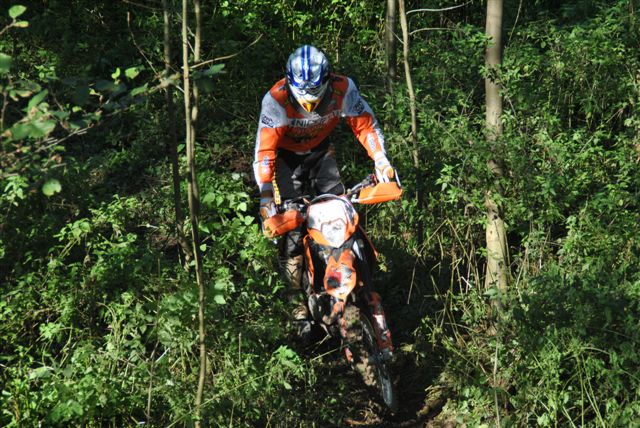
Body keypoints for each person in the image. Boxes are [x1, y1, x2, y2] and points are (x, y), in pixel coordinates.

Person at [253, 45, 396, 338]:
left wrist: (380, 160)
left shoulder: (343, 89)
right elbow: (265, 150)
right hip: (286, 161)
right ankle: (296, 302)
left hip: (321, 154)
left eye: (315, 96)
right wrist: (266, 194)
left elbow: (365, 125)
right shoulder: (276, 100)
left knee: (341, 213)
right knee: (292, 230)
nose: (309, 104)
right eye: (302, 97)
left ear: (327, 80)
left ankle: (359, 278)